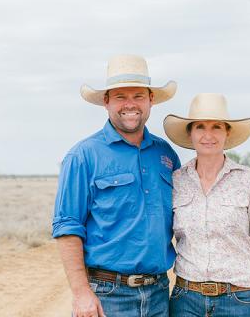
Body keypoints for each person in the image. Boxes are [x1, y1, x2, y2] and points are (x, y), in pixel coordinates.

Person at [52, 54, 181, 317]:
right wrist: (81, 293)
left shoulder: (165, 154)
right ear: (106, 102)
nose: (130, 104)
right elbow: (67, 228)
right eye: (121, 97)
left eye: (138, 96)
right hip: (107, 296)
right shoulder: (83, 156)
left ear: (150, 100)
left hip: (158, 293)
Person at [163, 93, 250, 317]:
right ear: (190, 133)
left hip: (240, 300)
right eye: (200, 126)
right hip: (186, 300)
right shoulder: (176, 181)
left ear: (227, 132)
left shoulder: (249, 180)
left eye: (216, 127)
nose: (208, 135)